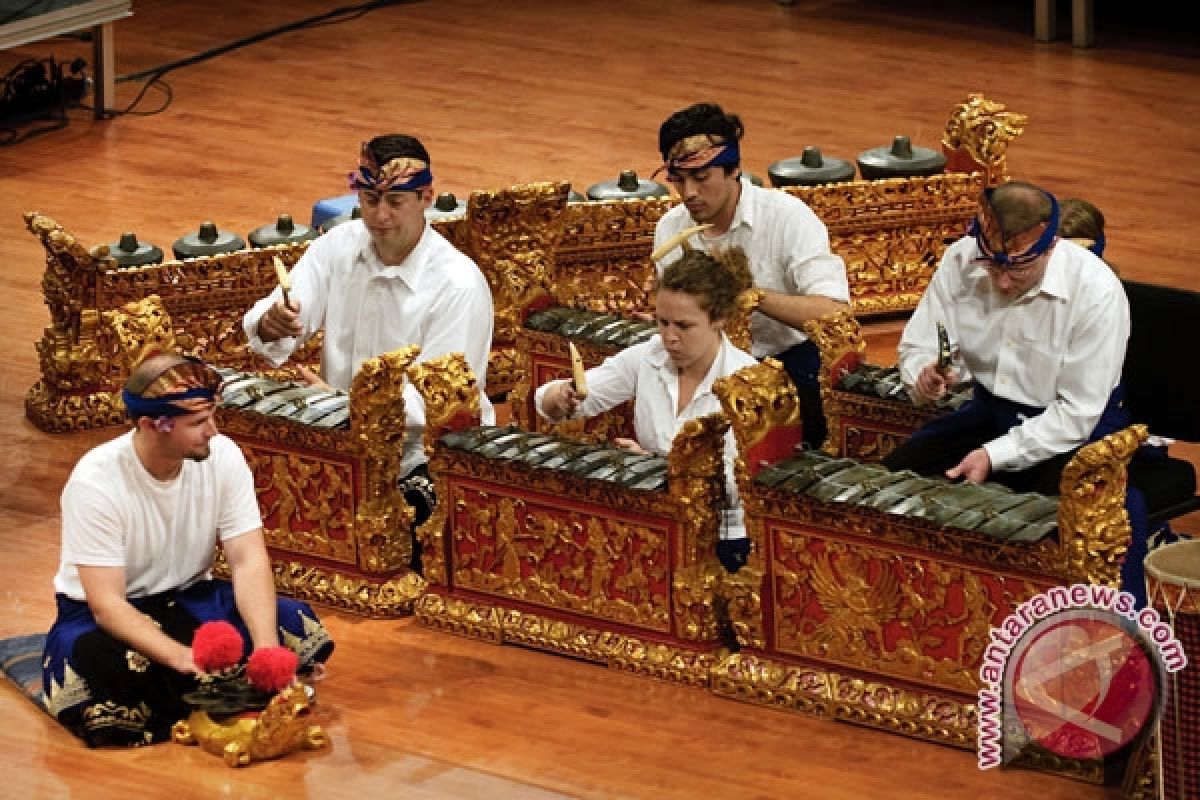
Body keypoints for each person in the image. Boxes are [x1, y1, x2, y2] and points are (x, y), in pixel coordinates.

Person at [42, 352, 335, 747]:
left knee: (289, 619)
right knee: (102, 664)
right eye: (198, 423)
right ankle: (217, 691)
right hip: (106, 619)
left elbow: (248, 559)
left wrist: (266, 650)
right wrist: (185, 659)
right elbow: (107, 605)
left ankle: (215, 689)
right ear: (152, 425)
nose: (213, 431)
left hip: (190, 599)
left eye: (212, 417)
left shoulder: (224, 456)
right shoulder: (95, 482)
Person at [242, 133, 495, 569]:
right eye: (369, 200)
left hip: (425, 456)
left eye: (395, 202)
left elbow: (438, 405)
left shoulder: (459, 284)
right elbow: (277, 325)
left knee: (399, 535)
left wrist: (341, 406)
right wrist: (271, 322)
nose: (379, 217)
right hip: (340, 439)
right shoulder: (336, 247)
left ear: (426, 198)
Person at [537, 246, 758, 573]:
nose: (669, 338)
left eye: (683, 326)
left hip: (723, 538)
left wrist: (658, 466)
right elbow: (556, 400)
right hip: (654, 522)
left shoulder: (748, 384)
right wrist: (560, 398)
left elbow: (738, 486)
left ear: (719, 319)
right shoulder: (648, 357)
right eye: (662, 322)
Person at [651, 102, 850, 449]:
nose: (689, 194)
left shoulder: (788, 218)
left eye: (701, 178)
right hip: (703, 364)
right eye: (678, 181)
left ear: (734, 170)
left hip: (786, 366)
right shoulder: (669, 229)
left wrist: (753, 298)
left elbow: (833, 312)